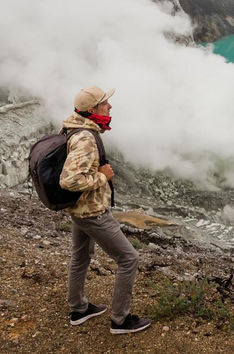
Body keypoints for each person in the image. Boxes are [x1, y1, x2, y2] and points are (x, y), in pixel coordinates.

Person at [59, 86, 152, 334]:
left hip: (78, 211)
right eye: (105, 103)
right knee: (129, 258)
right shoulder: (87, 139)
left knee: (80, 257)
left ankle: (79, 309)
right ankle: (120, 321)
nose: (109, 107)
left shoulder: (74, 128)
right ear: (92, 110)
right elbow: (69, 181)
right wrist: (102, 177)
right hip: (92, 213)